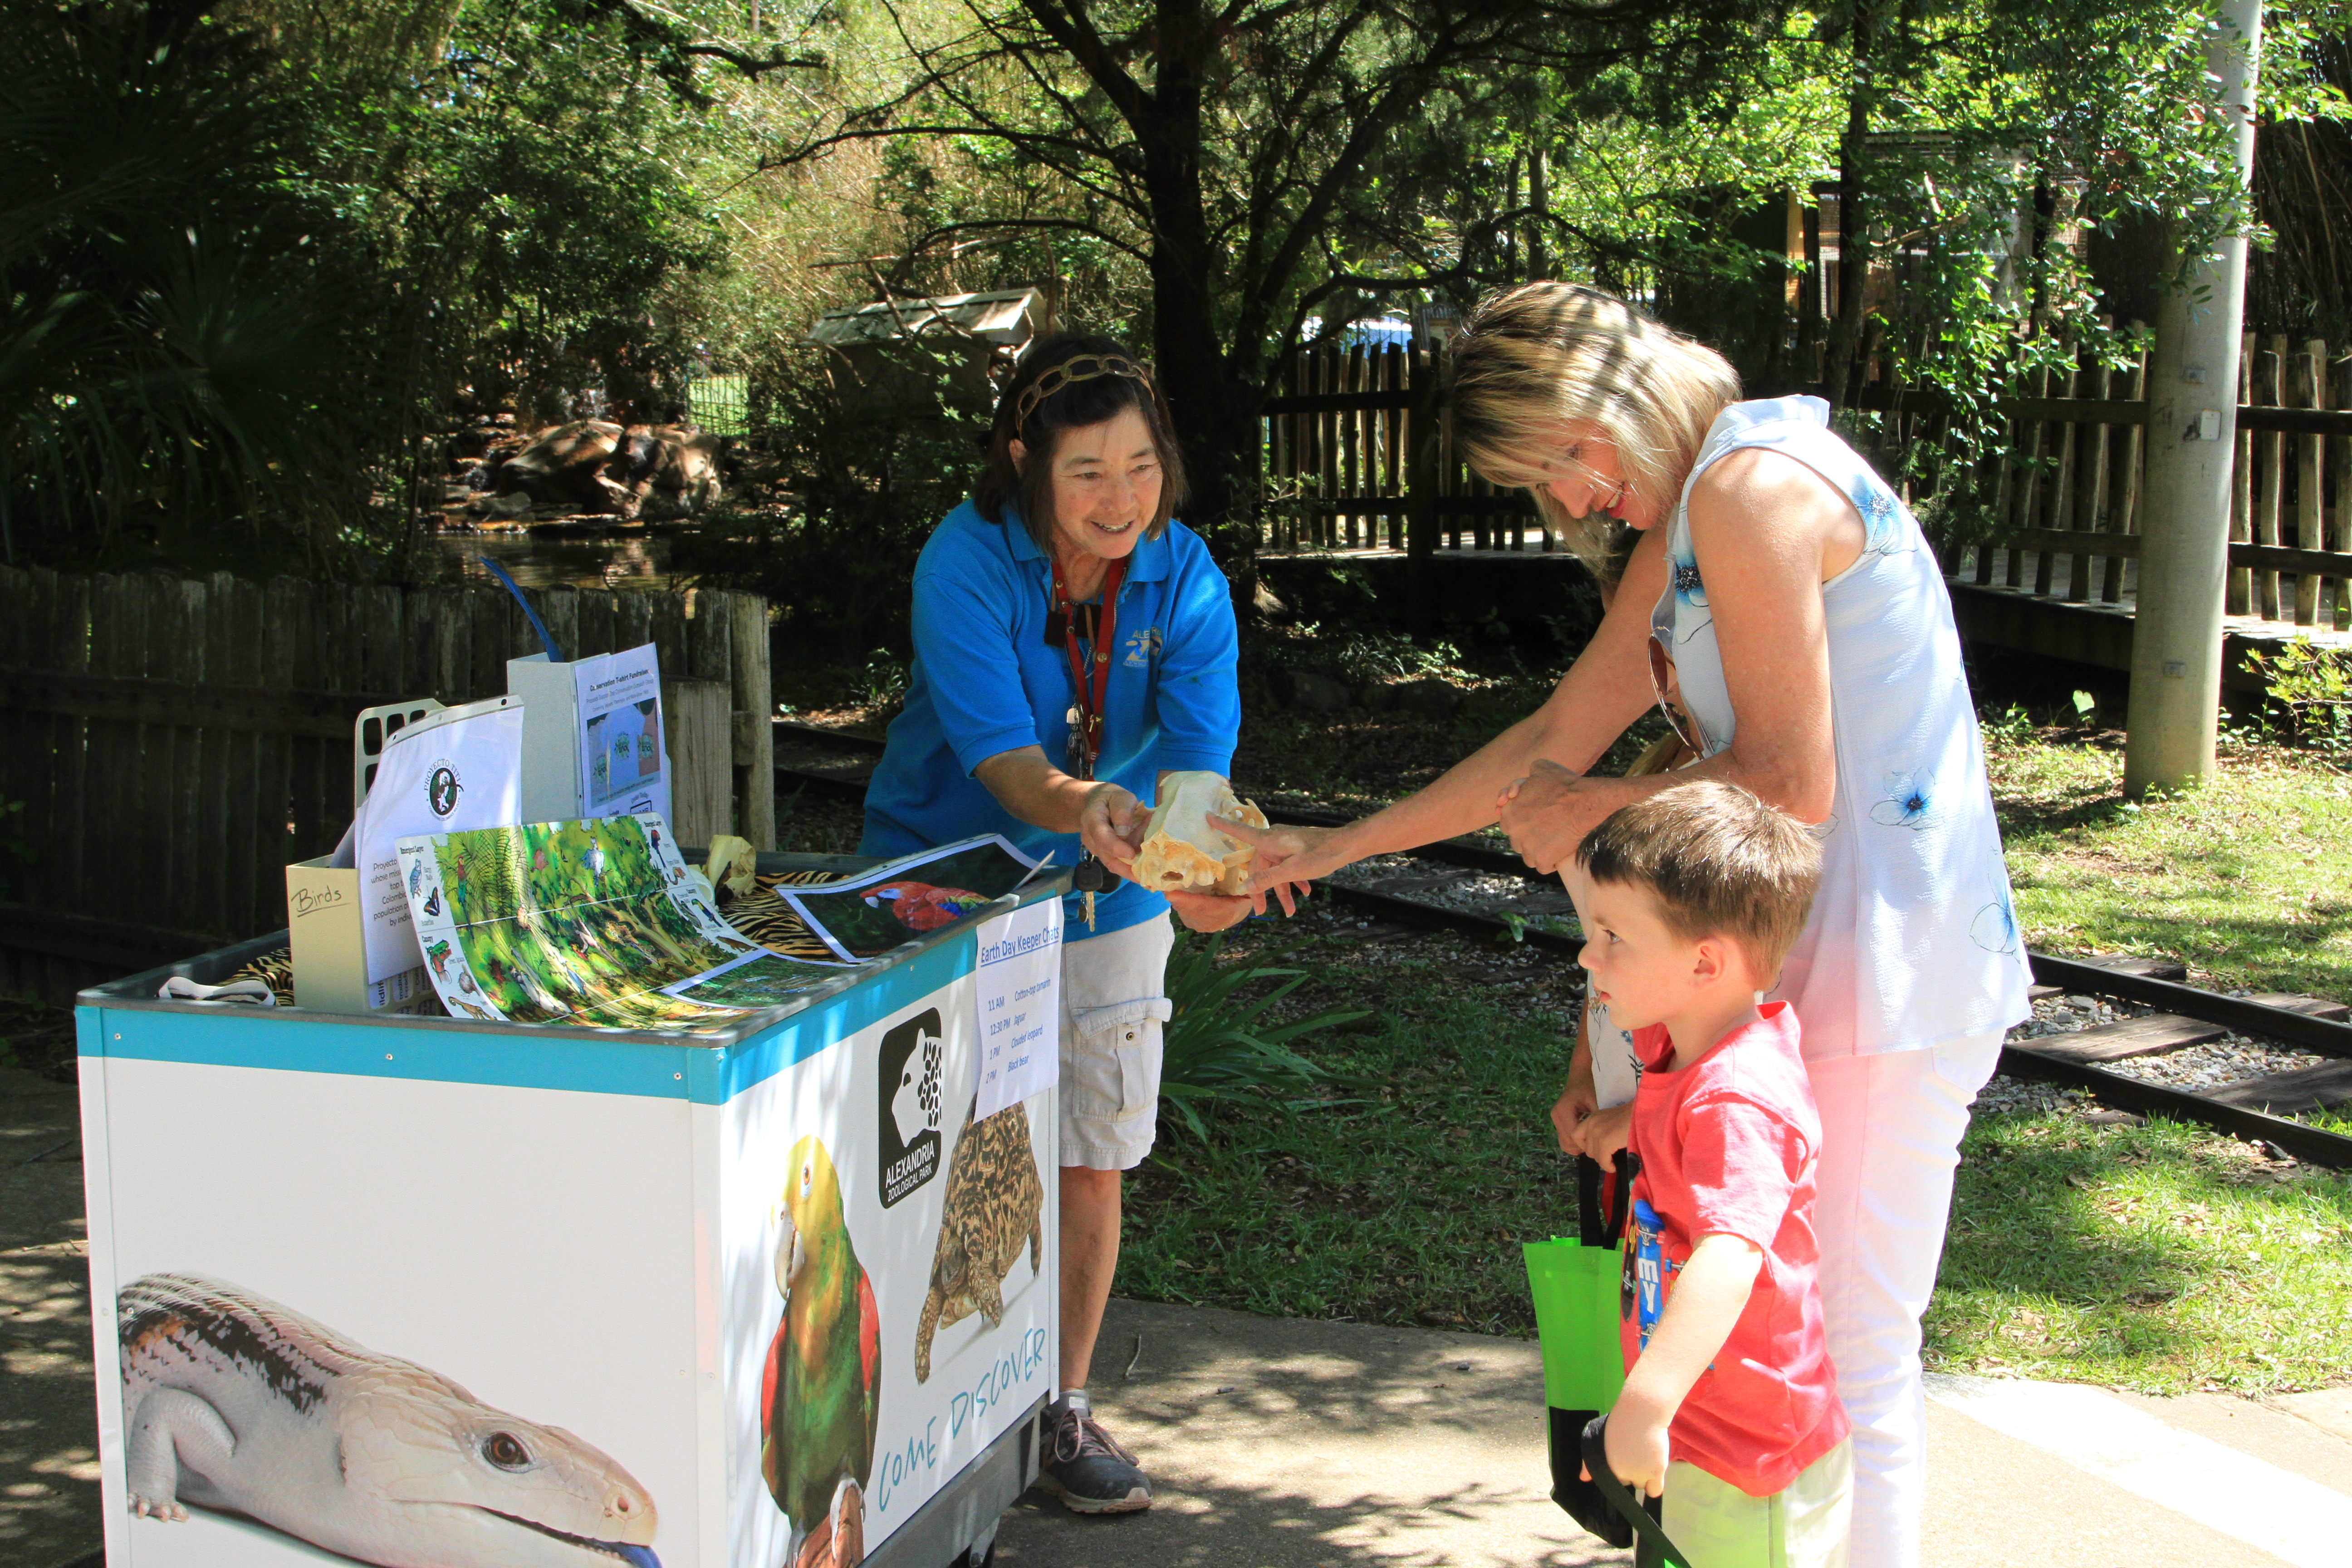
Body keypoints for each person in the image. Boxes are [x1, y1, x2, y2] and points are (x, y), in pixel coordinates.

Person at [1225, 283, 2030, 1568]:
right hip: (1807, 967)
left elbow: (1788, 778)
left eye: (1558, 464)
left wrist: (1596, 806)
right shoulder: (1706, 502)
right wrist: (1321, 849)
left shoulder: (1753, 490)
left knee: (1850, 1361)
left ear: (1606, 402)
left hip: (1887, 976)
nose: (1570, 506)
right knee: (1781, 1348)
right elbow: (1549, 746)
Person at [862, 333, 1258, 1516]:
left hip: (1112, 897)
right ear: (1022, 461)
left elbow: (1199, 779)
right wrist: (1096, 808)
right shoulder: (965, 564)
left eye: (1141, 466)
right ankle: (914, 1417)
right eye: (1087, 472)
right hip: (949, 882)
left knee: (1091, 1151)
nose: (1120, 499)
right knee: (933, 1150)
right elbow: (1010, 770)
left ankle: (1062, 1408)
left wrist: (1210, 874)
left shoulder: (1186, 580)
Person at [1568, 780, 1849, 1568]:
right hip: (1706, 1432)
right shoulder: (1687, 1049)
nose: (1590, 956)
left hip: (1749, 1460)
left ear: (1705, 962)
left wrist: (1646, 1404)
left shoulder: (1735, 1098)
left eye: (1614, 936)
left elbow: (1730, 1257)